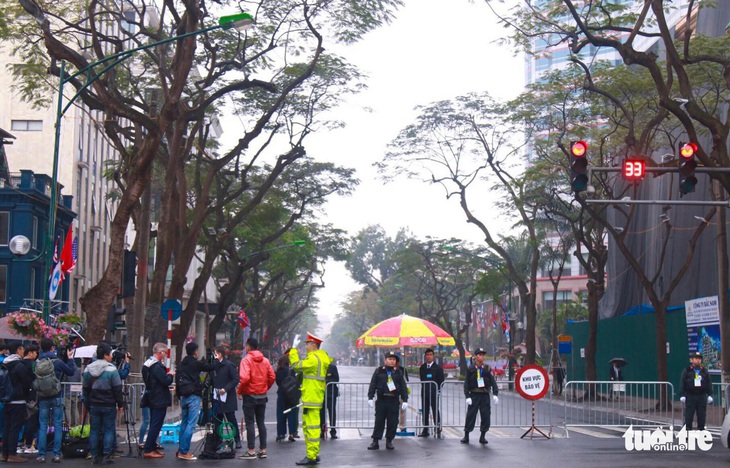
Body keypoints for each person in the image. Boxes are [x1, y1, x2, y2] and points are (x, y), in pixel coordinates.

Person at [289, 333, 333, 466]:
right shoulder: (321, 357)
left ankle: (311, 456)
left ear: (314, 345)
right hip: (314, 396)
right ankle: (314, 453)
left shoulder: (313, 359)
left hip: (311, 397)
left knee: (311, 428)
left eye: (307, 344)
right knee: (311, 427)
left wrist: (293, 349)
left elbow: (296, 365)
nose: (306, 346)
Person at [176, 342, 220, 460]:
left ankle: (181, 450)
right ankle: (184, 452)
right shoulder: (195, 364)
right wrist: (216, 359)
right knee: (191, 424)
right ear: (195, 352)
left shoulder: (181, 364)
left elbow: (177, 379)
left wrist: (178, 396)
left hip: (184, 397)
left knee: (184, 424)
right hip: (193, 396)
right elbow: (210, 367)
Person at [82, 342, 124, 465]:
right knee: (109, 429)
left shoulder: (88, 369)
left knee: (94, 430)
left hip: (94, 404)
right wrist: (120, 404)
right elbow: (117, 389)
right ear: (106, 355)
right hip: (109, 404)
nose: (111, 356)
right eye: (110, 354)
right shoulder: (112, 369)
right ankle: (107, 454)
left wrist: (87, 403)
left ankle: (94, 455)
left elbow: (86, 389)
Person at [36, 338, 76, 463]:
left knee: (43, 425)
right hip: (57, 395)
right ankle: (56, 454)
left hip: (42, 396)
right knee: (58, 424)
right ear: (52, 348)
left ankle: (41, 454)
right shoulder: (58, 362)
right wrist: (70, 359)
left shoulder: (38, 361)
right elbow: (70, 372)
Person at [236, 338, 275, 460]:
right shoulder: (265, 361)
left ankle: (251, 450)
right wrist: (264, 387)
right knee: (261, 423)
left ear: (248, 347)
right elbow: (272, 377)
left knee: (250, 423)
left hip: (250, 396)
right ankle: (263, 450)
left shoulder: (246, 360)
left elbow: (245, 378)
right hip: (262, 395)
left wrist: (240, 390)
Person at [367, 351, 408, 451]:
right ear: (385, 360)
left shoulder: (398, 372)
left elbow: (403, 386)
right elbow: (373, 384)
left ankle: (389, 440)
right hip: (382, 399)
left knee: (392, 422)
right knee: (379, 421)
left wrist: (405, 400)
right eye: (390, 359)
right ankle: (375, 441)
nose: (392, 361)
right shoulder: (379, 371)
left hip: (393, 400)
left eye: (394, 359)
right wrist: (370, 397)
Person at [141, 343, 174, 459]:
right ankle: (149, 448)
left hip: (151, 396)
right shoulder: (157, 366)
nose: (165, 355)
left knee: (154, 423)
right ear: (160, 353)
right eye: (164, 353)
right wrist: (170, 375)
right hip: (159, 398)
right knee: (156, 424)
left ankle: (152, 446)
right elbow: (165, 380)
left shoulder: (147, 364)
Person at [461, 347, 498, 445]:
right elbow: (466, 383)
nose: (482, 356)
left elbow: (492, 381)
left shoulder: (487, 368)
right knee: (470, 415)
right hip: (474, 395)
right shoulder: (471, 368)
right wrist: (467, 396)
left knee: (485, 415)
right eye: (480, 354)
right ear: (475, 357)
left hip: (484, 395)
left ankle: (483, 436)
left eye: (483, 355)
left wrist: (495, 393)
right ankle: (466, 435)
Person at [2, 341, 30, 463]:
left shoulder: (4, 364)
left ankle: (4, 453)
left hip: (6, 399)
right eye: (22, 349)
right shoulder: (19, 365)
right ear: (18, 350)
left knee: (6, 427)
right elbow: (26, 382)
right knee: (15, 427)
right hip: (18, 399)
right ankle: (12, 453)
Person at [211, 346, 241, 450]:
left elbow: (235, 379)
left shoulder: (229, 365)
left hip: (227, 397)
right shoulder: (214, 366)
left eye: (215, 353)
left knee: (231, 419)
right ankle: (218, 440)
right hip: (217, 397)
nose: (214, 356)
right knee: (218, 420)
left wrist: (226, 389)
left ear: (220, 354)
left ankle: (237, 439)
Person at [679, 351, 713, 430]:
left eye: (699, 359)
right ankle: (687, 433)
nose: (698, 360)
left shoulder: (704, 371)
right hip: (691, 395)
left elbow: (709, 382)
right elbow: (682, 382)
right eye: (696, 358)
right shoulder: (687, 370)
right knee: (689, 416)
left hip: (701, 396)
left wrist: (710, 394)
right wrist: (682, 395)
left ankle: (701, 433)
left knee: (701, 416)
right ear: (692, 360)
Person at [418, 348, 444, 437]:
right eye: (427, 355)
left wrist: (437, 389)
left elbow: (441, 381)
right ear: (425, 356)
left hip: (434, 393)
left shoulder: (438, 368)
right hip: (425, 392)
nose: (429, 356)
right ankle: (425, 429)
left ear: (433, 356)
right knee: (425, 410)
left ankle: (437, 427)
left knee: (435, 410)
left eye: (430, 355)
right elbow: (422, 379)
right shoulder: (422, 367)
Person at [20, 344, 39, 455]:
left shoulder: (20, 364)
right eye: (35, 352)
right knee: (31, 420)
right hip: (31, 396)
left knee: (22, 421)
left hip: (20, 396)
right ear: (30, 353)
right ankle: (28, 444)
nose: (36, 355)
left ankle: (21, 443)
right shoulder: (32, 365)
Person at [274, 355, 298, 442]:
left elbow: (277, 382)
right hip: (291, 395)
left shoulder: (278, 372)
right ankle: (292, 433)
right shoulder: (291, 371)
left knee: (281, 414)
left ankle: (281, 434)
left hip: (281, 394)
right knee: (292, 414)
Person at [320, 361, 339, 440]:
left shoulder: (332, 367)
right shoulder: (319, 367)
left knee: (332, 413)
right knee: (322, 414)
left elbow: (336, 379)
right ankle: (322, 430)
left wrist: (326, 382)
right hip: (321, 394)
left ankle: (333, 431)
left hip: (331, 394)